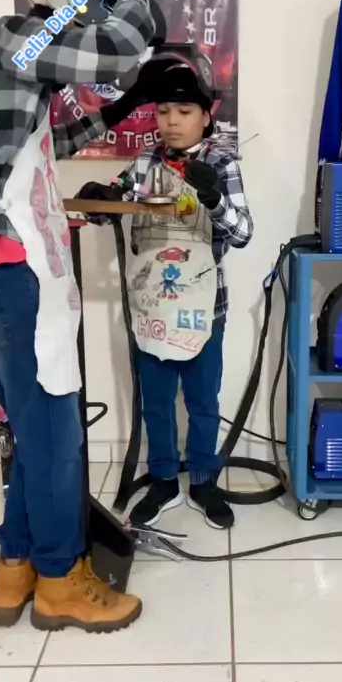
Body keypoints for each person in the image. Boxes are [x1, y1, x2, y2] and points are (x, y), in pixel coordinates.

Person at [0, 0, 164, 633]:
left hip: (3, 277)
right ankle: (61, 579)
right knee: (55, 434)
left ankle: (15, 568)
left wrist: (124, 104)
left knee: (30, 433)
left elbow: (46, 139)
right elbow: (121, 45)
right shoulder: (12, 39)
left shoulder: (12, 76)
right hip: (14, 275)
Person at [79, 65, 253, 530]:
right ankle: (162, 481)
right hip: (151, 304)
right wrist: (98, 201)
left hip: (203, 307)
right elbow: (114, 205)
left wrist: (214, 198)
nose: (172, 121)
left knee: (202, 400)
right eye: (163, 111)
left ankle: (203, 481)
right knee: (155, 403)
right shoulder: (144, 163)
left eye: (184, 111)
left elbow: (242, 234)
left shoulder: (222, 164)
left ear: (205, 115)